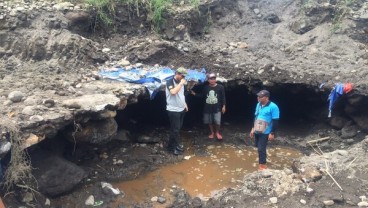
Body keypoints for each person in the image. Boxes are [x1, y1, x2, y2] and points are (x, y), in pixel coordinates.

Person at [249, 90, 280, 170]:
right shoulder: (258, 105)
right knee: (257, 145)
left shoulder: (273, 107)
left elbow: (275, 121)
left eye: (260, 97)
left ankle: (262, 165)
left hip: (266, 131)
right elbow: (255, 117)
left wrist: (272, 132)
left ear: (266, 98)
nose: (258, 98)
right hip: (257, 129)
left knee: (261, 148)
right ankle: (263, 158)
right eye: (258, 96)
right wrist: (252, 129)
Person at [192, 73, 226, 140]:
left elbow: (223, 97)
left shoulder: (220, 87)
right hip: (208, 108)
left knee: (217, 121)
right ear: (208, 80)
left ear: (215, 79)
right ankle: (212, 132)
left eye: (214, 79)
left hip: (217, 108)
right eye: (211, 79)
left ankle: (217, 132)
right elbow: (202, 96)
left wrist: (224, 106)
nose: (212, 80)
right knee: (210, 121)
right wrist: (194, 94)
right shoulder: (206, 88)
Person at [166, 67, 189, 155]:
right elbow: (173, 92)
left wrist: (185, 104)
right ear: (177, 74)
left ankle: (175, 144)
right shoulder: (170, 82)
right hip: (173, 110)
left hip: (181, 109)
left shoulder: (182, 82)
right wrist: (181, 84)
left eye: (184, 77)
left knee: (178, 129)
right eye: (182, 76)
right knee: (174, 130)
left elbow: (181, 95)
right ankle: (171, 148)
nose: (183, 78)